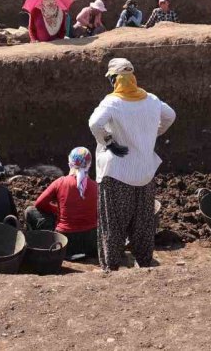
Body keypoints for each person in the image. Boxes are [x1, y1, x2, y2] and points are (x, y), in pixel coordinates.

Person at [89, 58, 176, 271]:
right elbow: (170, 115)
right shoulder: (152, 100)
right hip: (145, 173)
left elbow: (94, 123)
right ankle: (144, 263)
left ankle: (110, 268)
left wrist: (108, 141)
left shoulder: (112, 102)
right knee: (144, 222)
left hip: (117, 173)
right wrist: (151, 133)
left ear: (114, 80)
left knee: (113, 223)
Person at [24, 147, 98, 259]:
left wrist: (57, 210)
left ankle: (36, 247)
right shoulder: (96, 187)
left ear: (70, 164)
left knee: (30, 211)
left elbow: (39, 204)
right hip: (91, 243)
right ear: (89, 165)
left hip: (64, 242)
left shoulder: (60, 182)